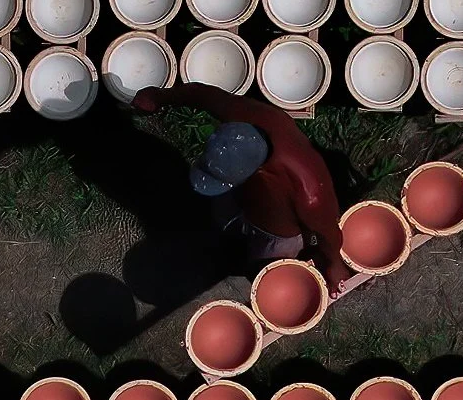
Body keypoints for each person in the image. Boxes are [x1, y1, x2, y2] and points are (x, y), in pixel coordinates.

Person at [131, 83, 351, 289]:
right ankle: (229, 230)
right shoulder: (248, 117)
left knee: (266, 268)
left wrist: (335, 265)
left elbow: (328, 232)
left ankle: (251, 263)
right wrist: (161, 96)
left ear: (258, 170)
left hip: (276, 233)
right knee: (221, 218)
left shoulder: (310, 195)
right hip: (245, 198)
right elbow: (203, 95)